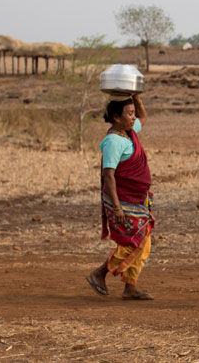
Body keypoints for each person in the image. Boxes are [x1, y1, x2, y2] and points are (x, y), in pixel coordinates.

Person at [86, 94, 155, 300]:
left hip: (137, 200)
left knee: (144, 242)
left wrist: (135, 96)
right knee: (132, 242)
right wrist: (116, 208)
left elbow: (143, 118)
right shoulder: (114, 141)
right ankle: (99, 273)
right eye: (129, 114)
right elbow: (108, 174)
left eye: (133, 113)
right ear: (116, 117)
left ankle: (130, 286)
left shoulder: (129, 133)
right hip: (122, 201)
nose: (134, 118)